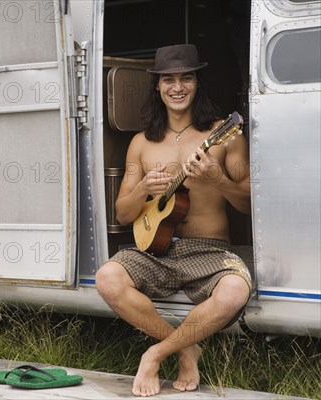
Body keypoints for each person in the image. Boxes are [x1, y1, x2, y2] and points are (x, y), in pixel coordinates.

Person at [95, 44, 252, 397]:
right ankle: (186, 348)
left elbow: (247, 205)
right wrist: (142, 191)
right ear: (157, 86)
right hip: (155, 250)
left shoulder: (226, 136)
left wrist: (218, 180)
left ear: (197, 83)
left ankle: (156, 353)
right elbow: (122, 213)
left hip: (209, 250)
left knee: (235, 291)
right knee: (107, 278)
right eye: (168, 79)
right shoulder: (140, 143)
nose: (177, 87)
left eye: (186, 78)